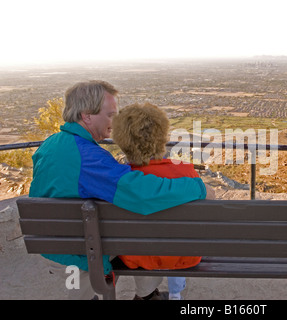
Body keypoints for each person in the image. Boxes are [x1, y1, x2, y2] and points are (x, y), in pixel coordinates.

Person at [29, 80, 214, 300]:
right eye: (110, 115)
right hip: (78, 253)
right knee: (146, 225)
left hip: (55, 242)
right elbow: (143, 194)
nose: (115, 122)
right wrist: (198, 186)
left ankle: (145, 294)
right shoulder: (88, 158)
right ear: (87, 115)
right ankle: (146, 295)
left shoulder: (52, 144)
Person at [112, 102, 213, 300]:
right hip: (184, 256)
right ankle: (173, 293)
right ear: (162, 138)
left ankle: (149, 293)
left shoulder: (118, 179)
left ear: (122, 140)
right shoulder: (186, 172)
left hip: (136, 257)